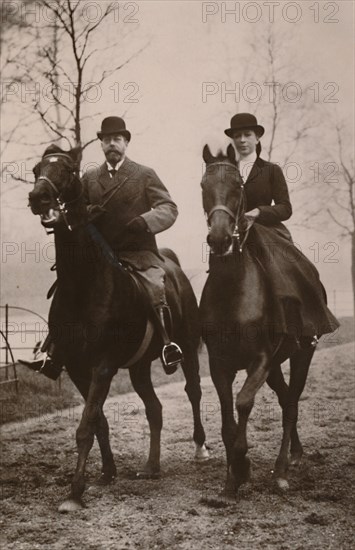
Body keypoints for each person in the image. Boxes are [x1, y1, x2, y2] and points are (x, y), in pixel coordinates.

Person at [23, 116, 183, 376]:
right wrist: (86, 212)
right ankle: (52, 352)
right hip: (100, 254)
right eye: (107, 140)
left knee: (155, 286)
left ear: (126, 143)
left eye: (117, 139)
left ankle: (167, 344)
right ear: (101, 144)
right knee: (66, 288)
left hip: (139, 253)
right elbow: (75, 208)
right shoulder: (90, 177)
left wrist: (143, 222)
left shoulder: (144, 174)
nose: (112, 144)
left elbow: (169, 208)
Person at [224, 112, 339, 339]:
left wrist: (259, 212)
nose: (242, 140)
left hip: (267, 232)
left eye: (247, 134)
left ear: (257, 138)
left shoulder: (271, 170)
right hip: (234, 233)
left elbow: (285, 208)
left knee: (298, 268)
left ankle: (306, 327)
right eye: (237, 136)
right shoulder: (226, 170)